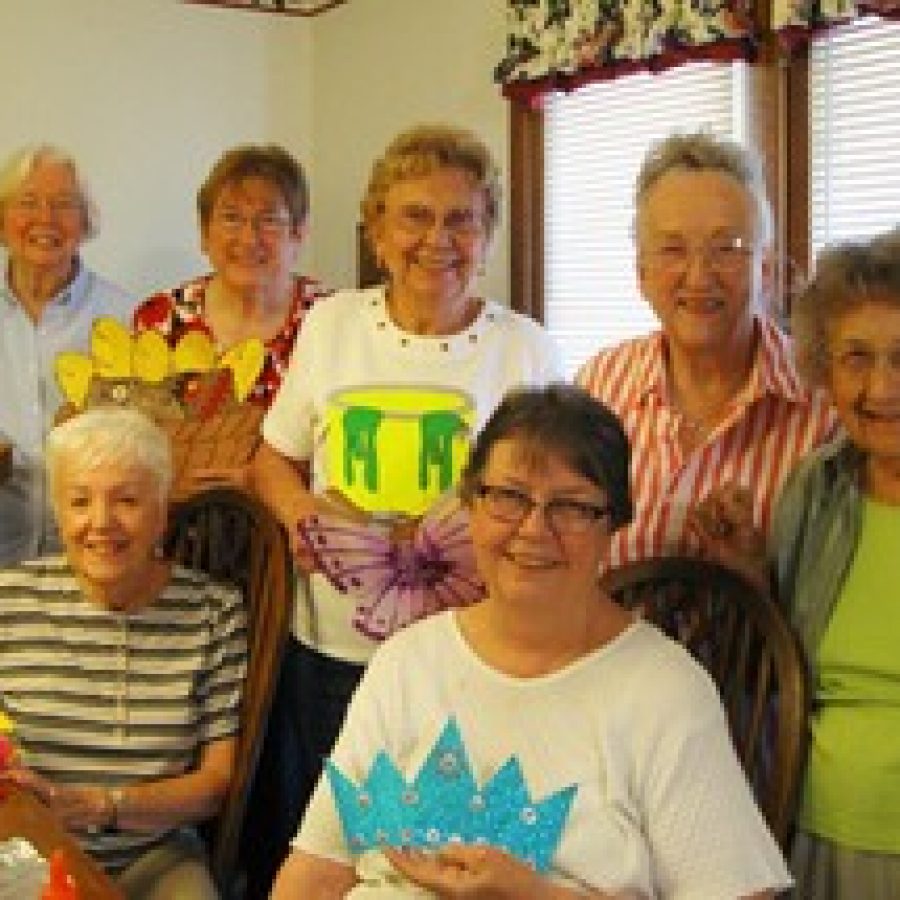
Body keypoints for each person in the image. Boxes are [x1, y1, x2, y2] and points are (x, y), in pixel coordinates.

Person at [270, 383, 792, 898]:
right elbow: (316, 871)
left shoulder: (666, 692)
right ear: (469, 505)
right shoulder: (408, 661)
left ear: (614, 525)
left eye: (570, 507)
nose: (534, 530)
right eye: (509, 497)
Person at [250, 124, 561, 894]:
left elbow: (550, 501)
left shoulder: (526, 349)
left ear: (488, 232)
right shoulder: (332, 325)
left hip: (471, 656)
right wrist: (297, 514)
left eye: (462, 219)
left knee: (447, 857)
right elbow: (274, 456)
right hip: (332, 649)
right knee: (340, 851)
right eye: (414, 216)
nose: (438, 239)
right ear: (378, 232)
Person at [0, 407, 247, 899]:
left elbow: (216, 782)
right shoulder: (9, 600)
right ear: (57, 511)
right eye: (78, 502)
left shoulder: (214, 611)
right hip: (26, 851)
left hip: (155, 853)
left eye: (128, 500)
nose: (101, 523)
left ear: (162, 510)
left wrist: (103, 806)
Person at [577, 131, 836, 575]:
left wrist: (757, 572)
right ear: (642, 272)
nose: (699, 276)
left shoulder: (826, 405)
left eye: (727, 249)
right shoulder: (599, 385)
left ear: (767, 270)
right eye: (673, 249)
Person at [766, 228, 900, 898]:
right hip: (819, 835)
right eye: (856, 358)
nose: (883, 387)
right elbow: (783, 651)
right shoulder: (816, 490)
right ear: (825, 370)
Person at [0, 144, 132, 565]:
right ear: (2, 220)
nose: (45, 219)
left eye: (64, 204)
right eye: (27, 203)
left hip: (91, 560)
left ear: (86, 221)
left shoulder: (127, 319)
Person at [133, 143, 328, 411]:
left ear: (298, 233)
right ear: (204, 232)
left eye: (269, 220)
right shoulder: (160, 321)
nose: (249, 238)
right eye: (231, 218)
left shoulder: (331, 320)